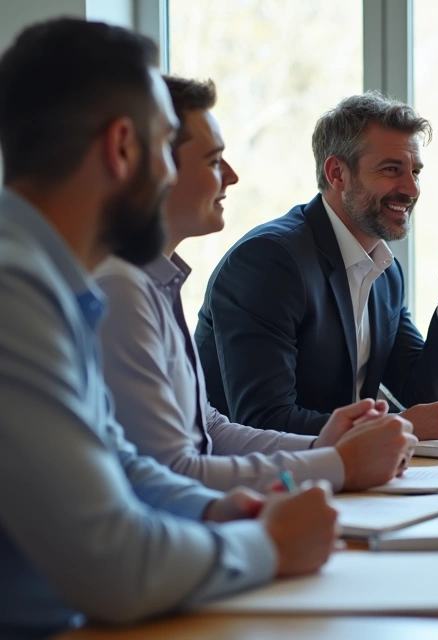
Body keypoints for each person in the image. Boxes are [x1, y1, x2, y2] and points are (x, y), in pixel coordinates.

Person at [0, 19, 344, 637]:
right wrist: (268, 546)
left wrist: (221, 509)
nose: (166, 175)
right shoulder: (13, 292)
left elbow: (123, 463)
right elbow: (114, 562)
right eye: (166, 147)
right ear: (122, 148)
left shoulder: (52, 282)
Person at [95, 76, 417, 493]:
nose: (231, 176)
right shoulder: (120, 289)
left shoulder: (158, 282)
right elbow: (175, 469)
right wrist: (338, 465)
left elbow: (210, 429)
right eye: (213, 160)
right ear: (147, 163)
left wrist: (323, 444)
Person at [195, 92, 438, 437]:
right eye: (392, 170)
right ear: (337, 173)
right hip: (264, 482)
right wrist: (396, 425)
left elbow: (421, 397)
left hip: (348, 476)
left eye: (415, 171)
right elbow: (263, 421)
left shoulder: (386, 273)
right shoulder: (269, 261)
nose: (411, 188)